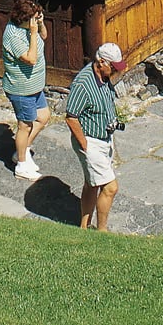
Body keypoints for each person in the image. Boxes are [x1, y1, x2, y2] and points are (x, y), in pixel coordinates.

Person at [64, 42, 124, 231]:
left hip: (104, 139)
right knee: (110, 187)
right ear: (101, 62)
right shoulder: (83, 84)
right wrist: (85, 145)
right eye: (113, 67)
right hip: (91, 141)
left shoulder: (104, 77)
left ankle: (84, 226)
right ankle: (102, 230)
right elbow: (71, 117)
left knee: (92, 184)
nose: (115, 71)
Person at [1, 0, 50, 180]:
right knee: (25, 125)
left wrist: (40, 24)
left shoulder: (30, 28)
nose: (35, 22)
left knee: (43, 117)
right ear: (23, 19)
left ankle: (21, 150)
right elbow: (31, 58)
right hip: (21, 89)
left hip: (35, 86)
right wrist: (33, 31)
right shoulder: (13, 36)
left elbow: (43, 37)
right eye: (33, 19)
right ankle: (21, 166)